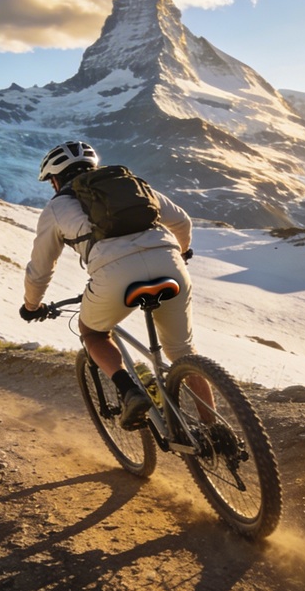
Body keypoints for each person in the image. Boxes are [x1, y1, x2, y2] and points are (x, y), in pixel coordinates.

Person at [20, 140, 195, 429]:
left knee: (93, 332)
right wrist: (184, 252)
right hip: (170, 263)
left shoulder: (58, 206)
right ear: (94, 168)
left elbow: (40, 270)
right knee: (183, 352)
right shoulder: (134, 185)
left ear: (55, 179)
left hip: (114, 276)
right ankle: (215, 431)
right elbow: (182, 222)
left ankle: (131, 393)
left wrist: (32, 306)